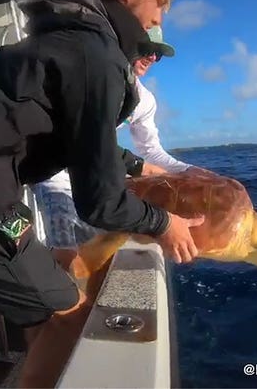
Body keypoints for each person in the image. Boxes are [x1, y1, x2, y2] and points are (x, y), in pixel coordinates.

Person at [0, 0, 201, 386]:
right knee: (72, 311)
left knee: (58, 271)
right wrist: (166, 224)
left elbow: (75, 134)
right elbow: (101, 204)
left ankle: (39, 346)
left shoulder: (70, 38)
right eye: (161, 1)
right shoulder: (97, 56)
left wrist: (140, 169)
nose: (160, 16)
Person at [33, 25, 195, 270]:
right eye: (147, 48)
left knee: (100, 245)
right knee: (65, 248)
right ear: (126, 42)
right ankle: (60, 299)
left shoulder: (145, 101)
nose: (151, 57)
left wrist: (189, 171)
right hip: (54, 170)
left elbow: (151, 150)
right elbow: (71, 134)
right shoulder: (88, 79)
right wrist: (135, 165)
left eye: (157, 54)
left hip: (94, 173)